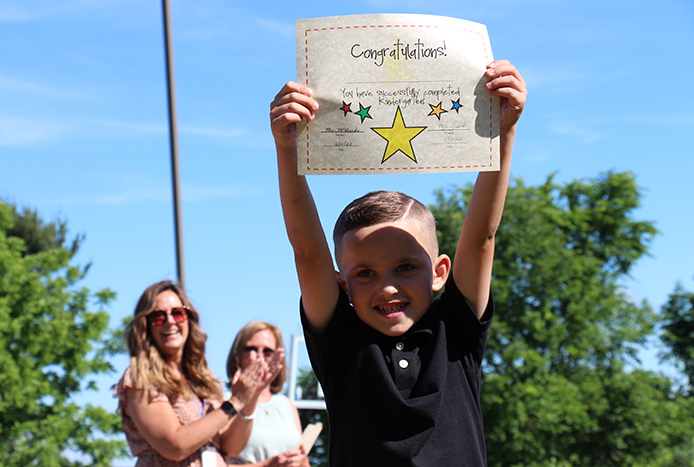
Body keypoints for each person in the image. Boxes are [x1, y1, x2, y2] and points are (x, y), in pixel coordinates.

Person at [269, 59, 527, 465]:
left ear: (440, 272)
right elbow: (308, 251)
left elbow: (481, 237)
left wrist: (504, 129)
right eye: (365, 273)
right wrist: (287, 149)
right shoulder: (342, 344)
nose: (387, 286)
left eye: (406, 267)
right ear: (342, 286)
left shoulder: (455, 331)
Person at [114, 280, 284, 466]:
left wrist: (250, 397)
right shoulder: (141, 377)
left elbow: (230, 448)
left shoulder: (203, 376)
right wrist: (235, 402)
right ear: (145, 326)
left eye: (178, 313)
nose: (170, 321)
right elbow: (174, 446)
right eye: (159, 317)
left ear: (189, 318)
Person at [225, 321, 310, 466]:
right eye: (250, 349)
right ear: (237, 355)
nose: (259, 356)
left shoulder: (286, 405)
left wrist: (301, 461)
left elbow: (304, 461)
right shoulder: (223, 402)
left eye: (267, 351)